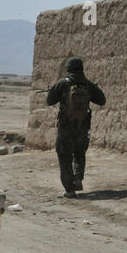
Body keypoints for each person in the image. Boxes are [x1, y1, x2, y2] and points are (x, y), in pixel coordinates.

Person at [46, 57, 106, 198]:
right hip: (82, 126)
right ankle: (78, 178)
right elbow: (102, 100)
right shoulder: (88, 84)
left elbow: (49, 101)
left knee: (64, 155)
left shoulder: (62, 84)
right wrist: (94, 89)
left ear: (68, 69)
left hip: (65, 126)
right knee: (79, 153)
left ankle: (69, 189)